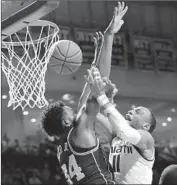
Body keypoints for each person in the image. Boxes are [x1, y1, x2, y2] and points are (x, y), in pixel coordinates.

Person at [41, 2, 128, 184]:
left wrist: (97, 55)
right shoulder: (80, 128)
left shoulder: (63, 146)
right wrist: (109, 35)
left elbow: (84, 96)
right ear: (66, 121)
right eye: (70, 111)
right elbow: (99, 82)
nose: (75, 110)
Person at [86, 67, 157, 184]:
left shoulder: (147, 139)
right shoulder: (117, 136)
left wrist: (101, 96)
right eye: (133, 109)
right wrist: (106, 96)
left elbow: (125, 131)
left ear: (146, 126)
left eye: (137, 112)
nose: (131, 111)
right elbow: (94, 116)